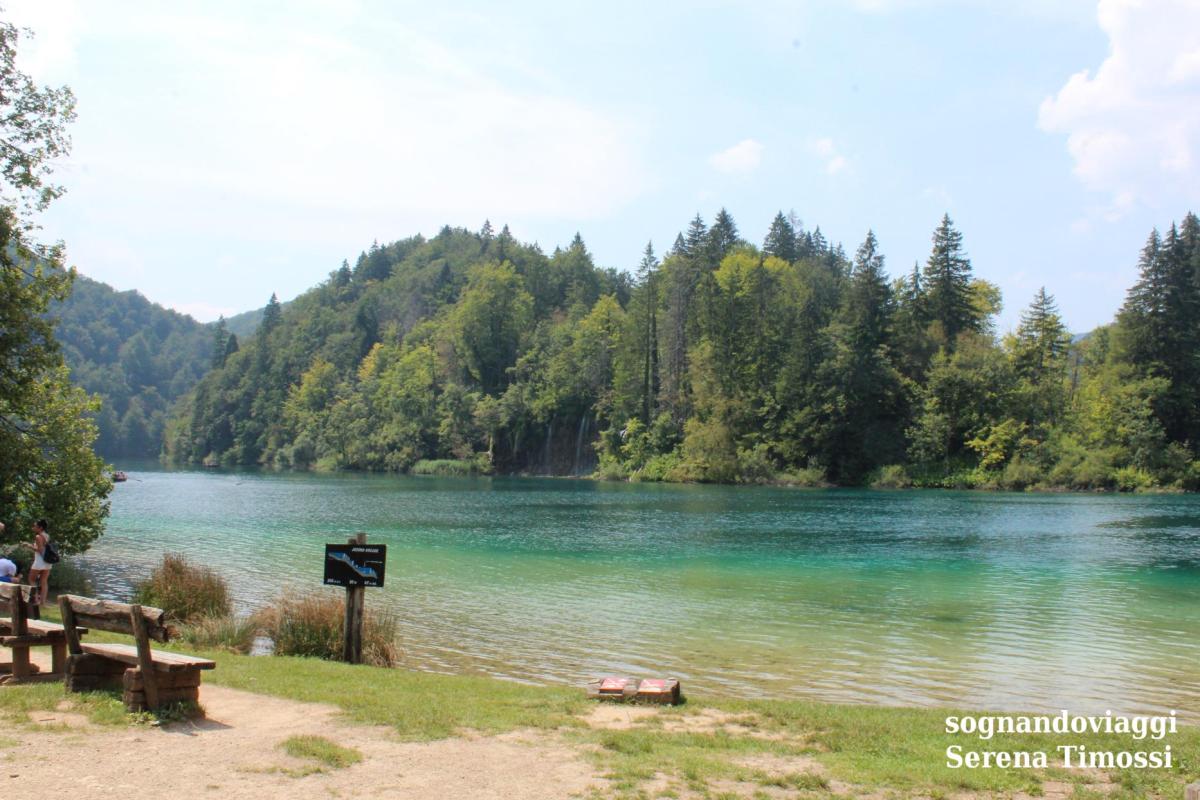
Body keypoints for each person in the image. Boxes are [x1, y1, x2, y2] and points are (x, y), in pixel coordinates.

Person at [28, 519, 51, 607]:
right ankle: (43, 602)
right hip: (47, 562)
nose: (33, 528)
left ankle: (36, 600)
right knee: (44, 581)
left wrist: (30, 546)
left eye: (34, 526)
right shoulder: (47, 536)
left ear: (40, 527)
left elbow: (41, 550)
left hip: (39, 561)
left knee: (31, 579)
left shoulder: (38, 537)